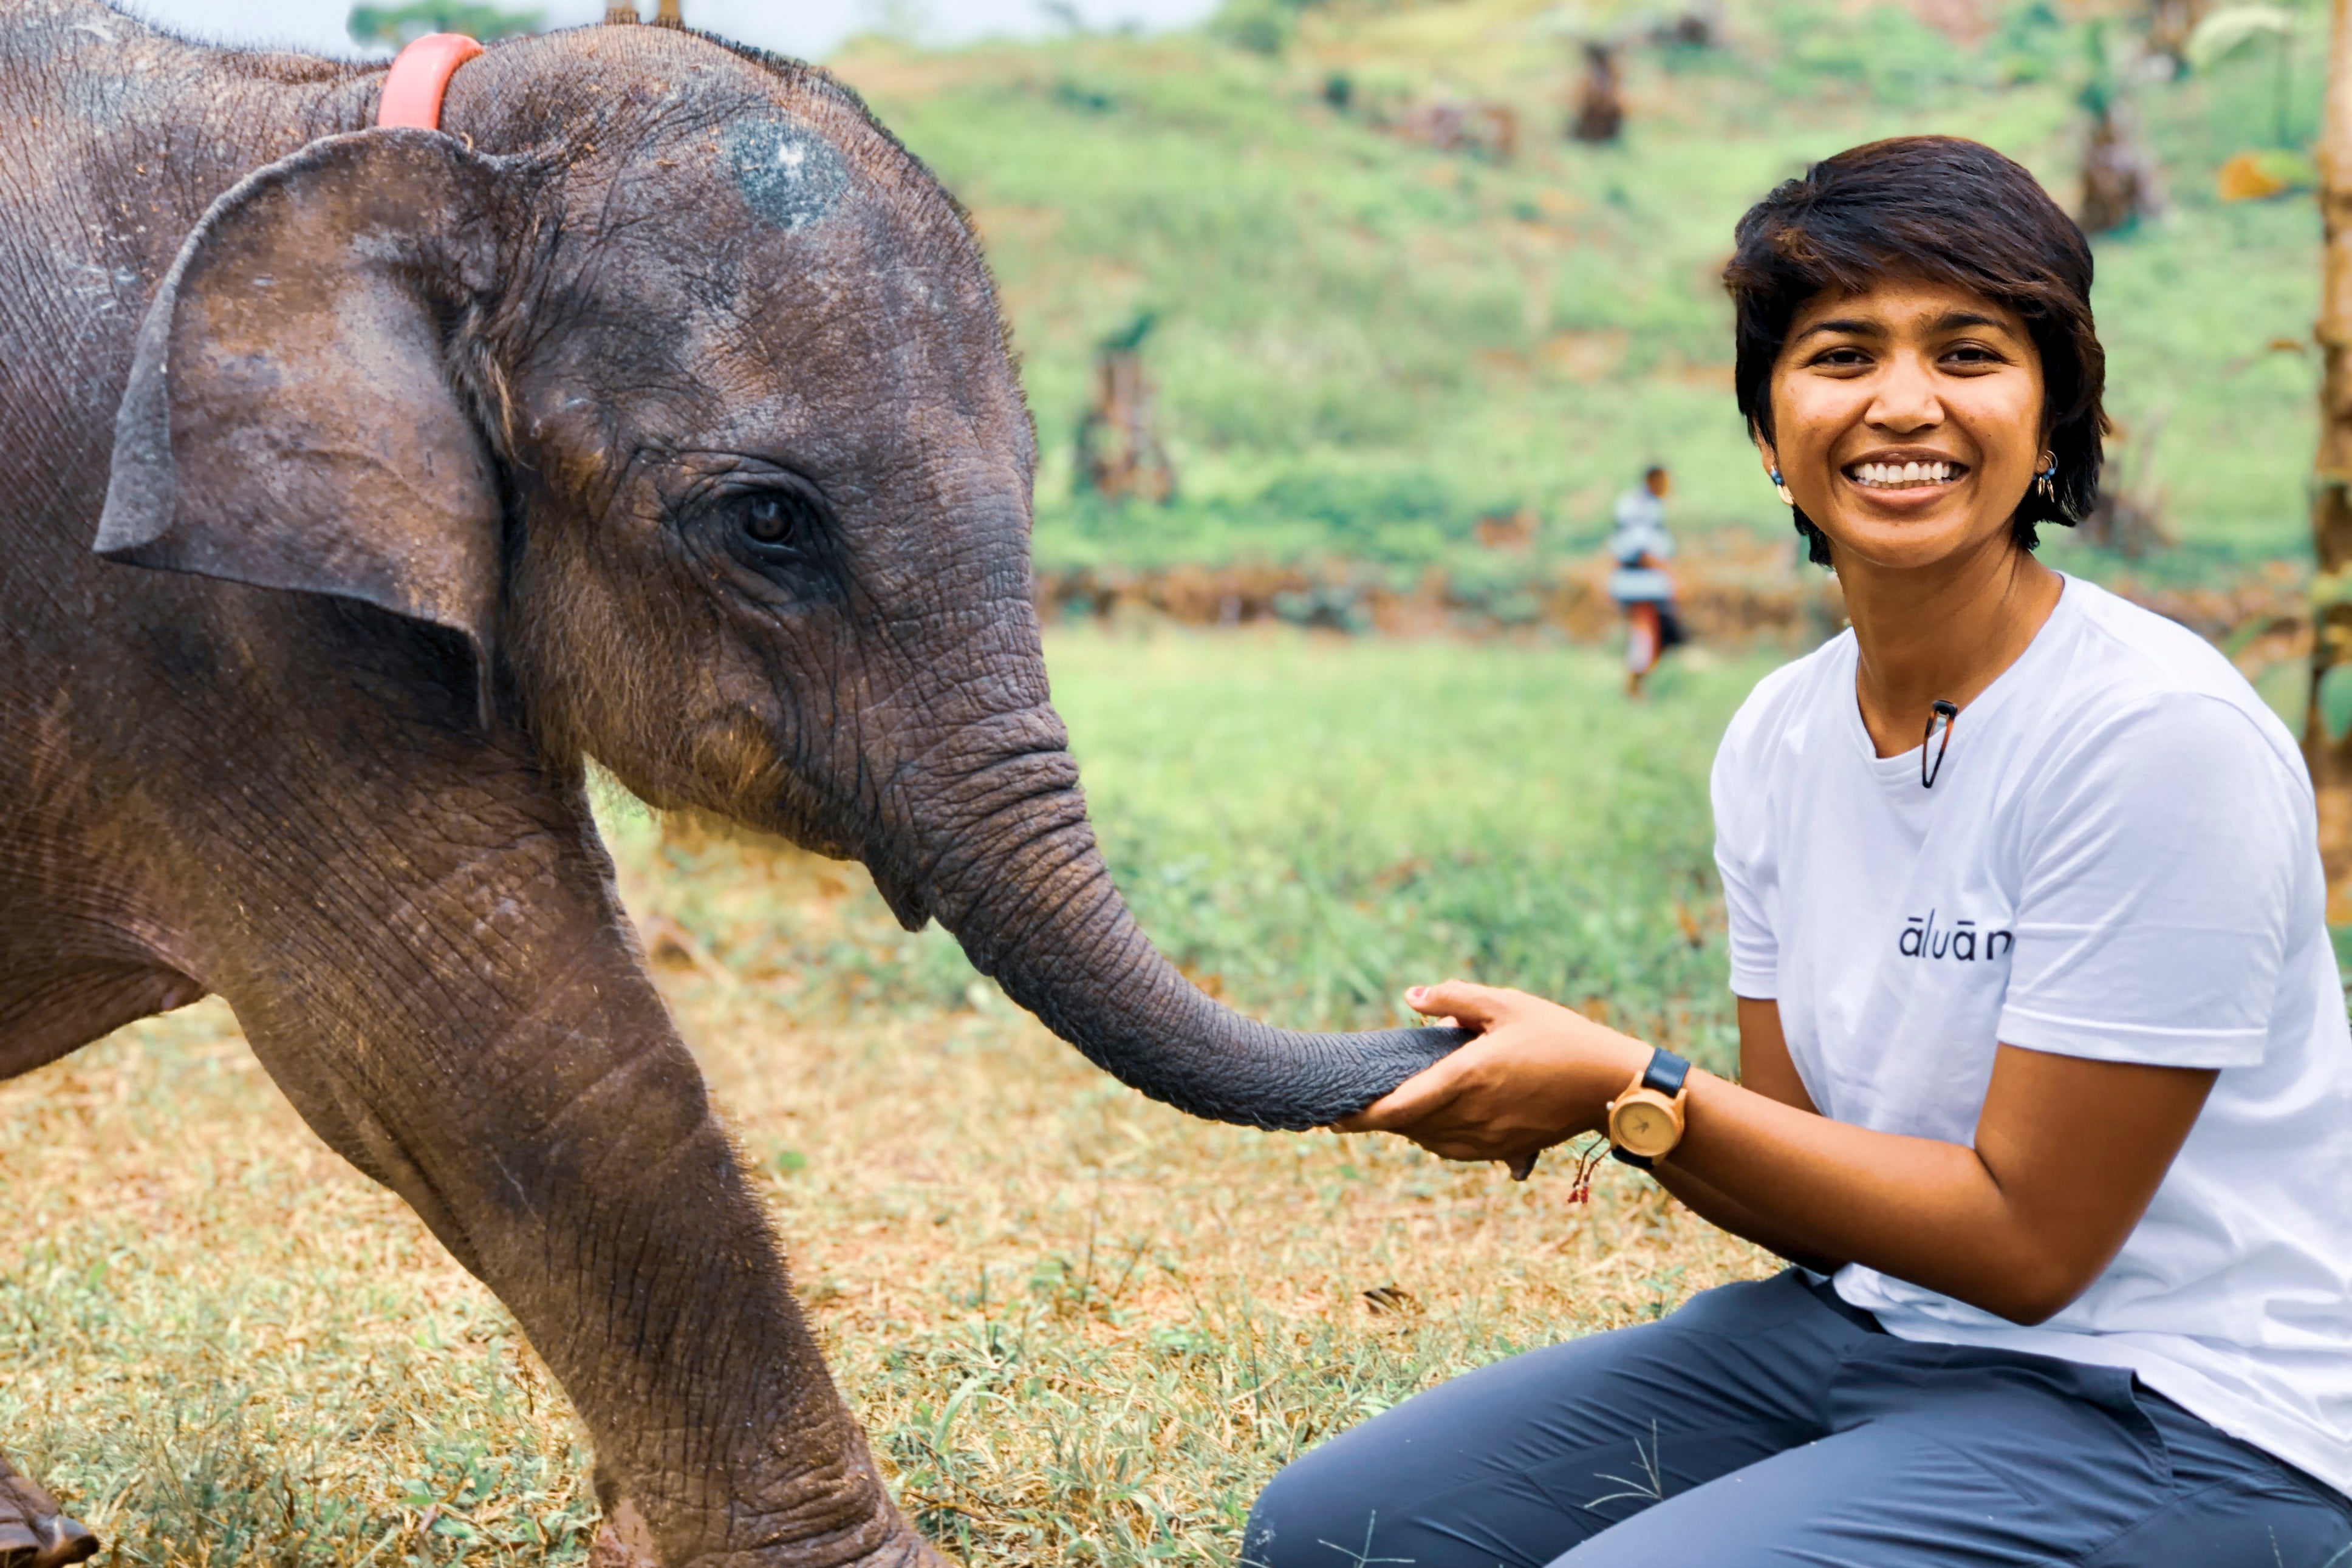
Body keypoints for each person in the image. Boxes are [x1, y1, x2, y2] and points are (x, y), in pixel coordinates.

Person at [1244, 137, 2352, 1566]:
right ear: (1769, 431)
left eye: (1970, 351)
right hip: (1870, 1329)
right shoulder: (1778, 735)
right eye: (1841, 353)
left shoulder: (2153, 733)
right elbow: (1815, 1190)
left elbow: (2031, 1249)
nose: (1905, 402)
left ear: (2054, 416)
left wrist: (1621, 1077)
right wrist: (1608, 1101)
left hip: (2186, 1406)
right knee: (1337, 1530)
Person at [1607, 465, 1684, 698]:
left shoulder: (1641, 503)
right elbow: (1643, 549)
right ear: (1654, 481)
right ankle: (1634, 684)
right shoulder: (1642, 507)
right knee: (1646, 634)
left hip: (1642, 582)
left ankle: (1637, 682)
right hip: (1642, 584)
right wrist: (1670, 575)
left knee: (1652, 635)